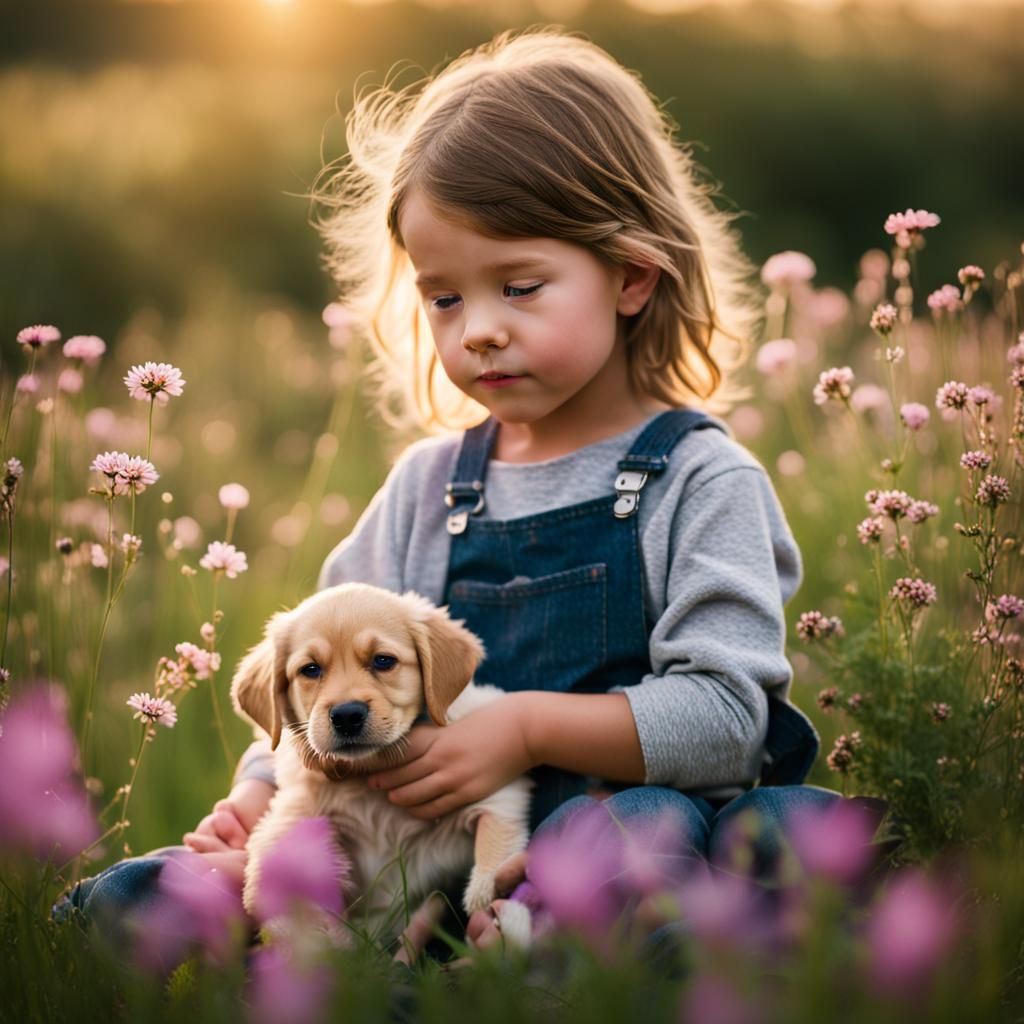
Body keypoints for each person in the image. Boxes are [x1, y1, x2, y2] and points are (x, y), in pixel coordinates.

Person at [58, 26, 841, 952]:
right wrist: (257, 795)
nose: (477, 332)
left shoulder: (701, 479)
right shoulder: (433, 486)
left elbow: (724, 721)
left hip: (608, 844)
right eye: (444, 297)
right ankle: (276, 931)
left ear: (631, 275)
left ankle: (513, 960)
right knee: (153, 892)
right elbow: (316, 675)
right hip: (398, 852)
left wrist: (518, 731)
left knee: (641, 836)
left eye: (519, 286)